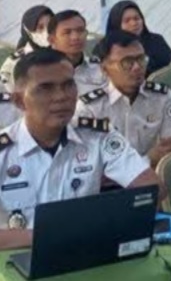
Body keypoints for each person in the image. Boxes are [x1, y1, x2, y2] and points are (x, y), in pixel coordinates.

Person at [0, 49, 158, 248]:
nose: (61, 96)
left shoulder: (98, 136)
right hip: (16, 256)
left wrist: (103, 223)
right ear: (19, 101)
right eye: (45, 88)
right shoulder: (4, 150)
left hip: (84, 250)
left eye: (68, 85)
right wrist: (52, 236)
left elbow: (153, 188)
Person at [74, 31, 171, 167]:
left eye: (141, 59)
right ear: (104, 69)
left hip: (153, 174)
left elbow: (167, 148)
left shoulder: (162, 97)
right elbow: (87, 161)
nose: (137, 67)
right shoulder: (90, 108)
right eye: (127, 62)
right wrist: (143, 163)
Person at [105, 0, 171, 77]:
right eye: (127, 21)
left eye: (136, 18)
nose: (134, 23)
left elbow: (170, 68)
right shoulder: (109, 49)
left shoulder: (157, 41)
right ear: (116, 25)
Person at [47, 10, 104, 95]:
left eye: (80, 30)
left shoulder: (100, 67)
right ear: (52, 39)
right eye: (67, 33)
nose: (75, 37)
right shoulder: (43, 73)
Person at [0, 6, 54, 92]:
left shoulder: (66, 48)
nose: (47, 31)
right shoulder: (20, 64)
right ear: (28, 33)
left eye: (51, 25)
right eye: (40, 28)